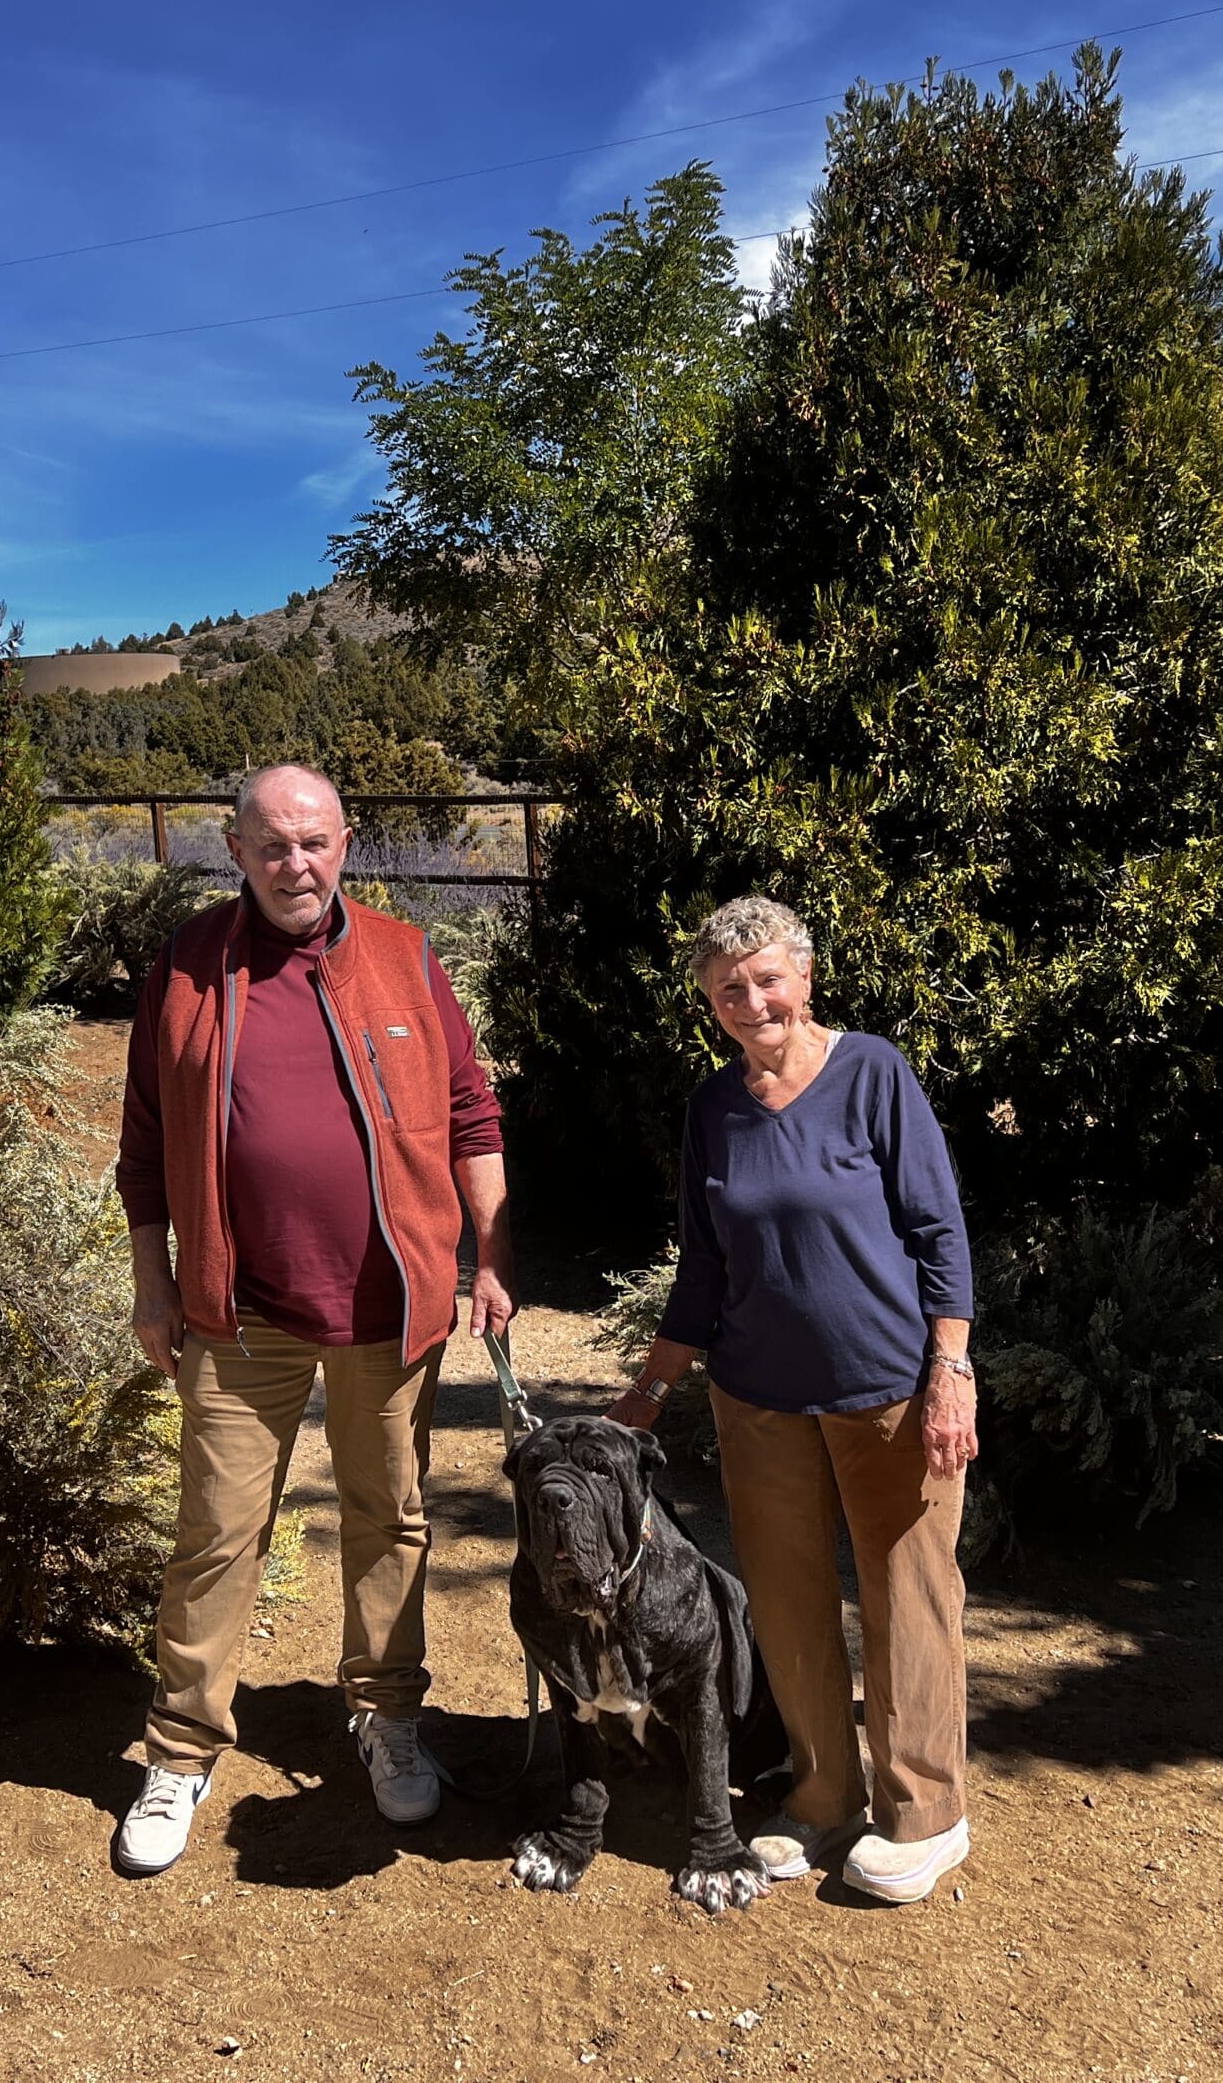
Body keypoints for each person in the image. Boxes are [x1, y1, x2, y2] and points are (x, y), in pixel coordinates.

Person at [110, 763, 514, 1876]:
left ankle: (387, 1718)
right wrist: (155, 1284)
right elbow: (144, 1142)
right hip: (242, 1315)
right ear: (235, 851)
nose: (298, 863)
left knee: (391, 1519)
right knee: (217, 1532)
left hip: (391, 1304)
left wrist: (492, 1252)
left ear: (347, 844)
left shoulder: (403, 954)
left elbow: (473, 1109)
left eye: (318, 842)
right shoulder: (190, 964)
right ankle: (182, 1751)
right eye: (274, 844)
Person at [610, 895, 979, 1906]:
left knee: (909, 1597)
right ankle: (822, 1797)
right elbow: (702, 1274)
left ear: (805, 979)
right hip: (757, 1398)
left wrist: (952, 1367)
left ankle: (925, 1813)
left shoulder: (872, 1074)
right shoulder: (712, 1111)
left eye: (767, 979)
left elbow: (939, 1231)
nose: (752, 1000)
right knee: (786, 1602)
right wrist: (649, 1390)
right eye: (729, 989)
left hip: (888, 1392)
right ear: (711, 1004)